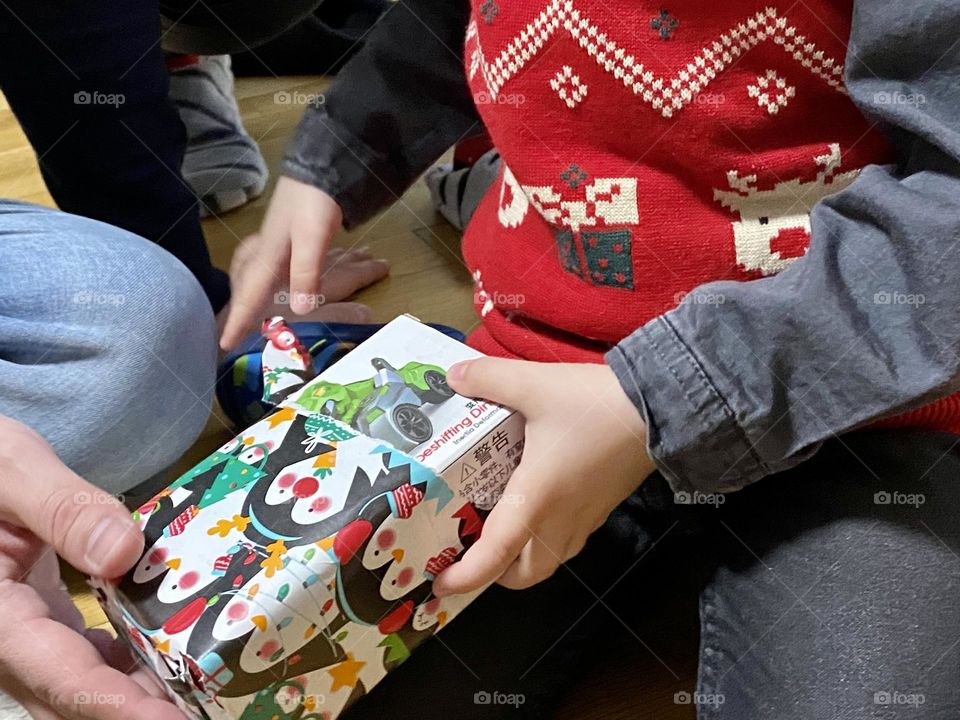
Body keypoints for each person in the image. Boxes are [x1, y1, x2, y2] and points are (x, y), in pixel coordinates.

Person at [223, 1, 960, 718]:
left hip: (853, 408)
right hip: (541, 375)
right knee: (305, 671)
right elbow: (442, 23)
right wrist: (334, 157)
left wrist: (661, 400)